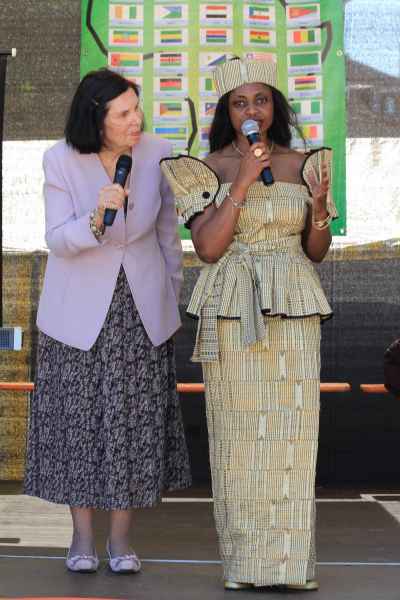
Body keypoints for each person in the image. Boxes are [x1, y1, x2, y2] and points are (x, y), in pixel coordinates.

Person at [161, 58, 337, 591]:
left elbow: (316, 250)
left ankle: (291, 566)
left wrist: (320, 208)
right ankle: (243, 566)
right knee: (238, 441)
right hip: (232, 306)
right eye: (240, 103)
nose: (251, 111)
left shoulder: (305, 163)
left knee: (292, 439)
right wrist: (239, 181)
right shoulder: (203, 168)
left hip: (294, 307)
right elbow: (209, 248)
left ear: (274, 107)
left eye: (260, 100)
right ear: (227, 112)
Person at [24, 68, 191, 574]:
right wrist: (97, 218)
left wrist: (170, 299)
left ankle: (120, 540)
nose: (136, 120)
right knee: (79, 425)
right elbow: (58, 239)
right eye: (123, 114)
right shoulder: (59, 159)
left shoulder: (159, 154)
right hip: (76, 313)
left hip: (141, 310)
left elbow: (168, 238)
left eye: (137, 108)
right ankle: (81, 537)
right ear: (96, 119)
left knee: (132, 426)